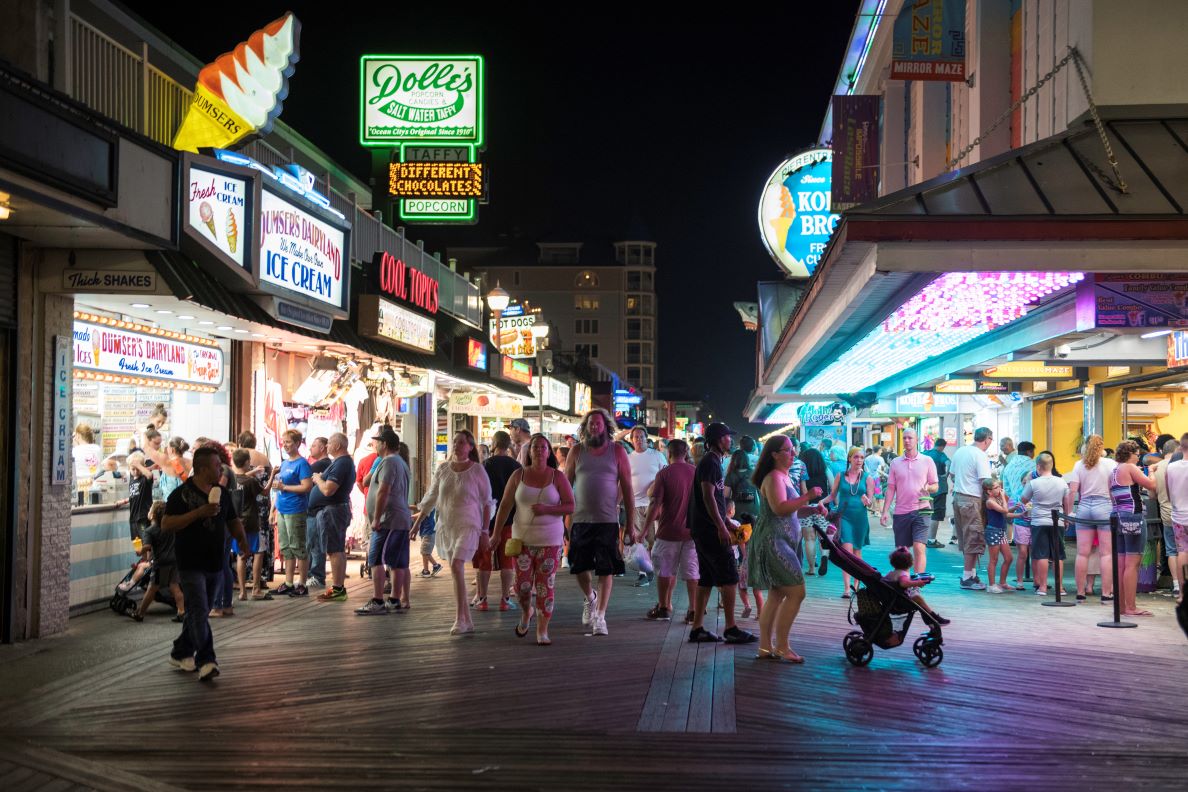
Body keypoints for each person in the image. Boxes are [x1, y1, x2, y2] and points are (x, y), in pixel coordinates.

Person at [162, 445, 247, 681]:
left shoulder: (222, 492)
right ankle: (207, 660)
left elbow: (232, 520)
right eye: (216, 465)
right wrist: (198, 513)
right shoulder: (181, 495)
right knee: (199, 609)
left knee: (199, 611)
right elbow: (166, 524)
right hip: (190, 562)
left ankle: (181, 651)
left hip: (215, 561)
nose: (220, 468)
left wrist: (242, 541)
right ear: (201, 469)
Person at [493, 433, 574, 645]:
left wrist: (547, 509)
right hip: (522, 541)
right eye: (535, 447)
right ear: (529, 452)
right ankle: (526, 611)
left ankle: (542, 629)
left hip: (550, 541)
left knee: (545, 587)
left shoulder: (558, 477)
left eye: (543, 447)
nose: (539, 450)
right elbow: (504, 506)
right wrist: (495, 533)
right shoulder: (518, 475)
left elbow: (570, 505)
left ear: (549, 453)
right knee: (522, 587)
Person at [749, 435, 823, 663]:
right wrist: (808, 496)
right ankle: (781, 646)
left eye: (793, 450)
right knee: (796, 591)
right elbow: (780, 508)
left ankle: (765, 647)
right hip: (774, 543)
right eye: (788, 450)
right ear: (774, 454)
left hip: (783, 541)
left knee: (777, 594)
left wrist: (811, 509)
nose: (793, 454)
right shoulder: (773, 478)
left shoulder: (784, 477)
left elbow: (792, 510)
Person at [565, 408, 635, 637]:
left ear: (606, 426)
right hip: (580, 519)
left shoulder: (617, 451)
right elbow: (565, 485)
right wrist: (562, 517)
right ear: (585, 428)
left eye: (598, 423)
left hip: (607, 520)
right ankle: (590, 598)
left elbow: (627, 487)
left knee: (607, 568)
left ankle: (601, 616)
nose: (594, 426)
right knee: (580, 566)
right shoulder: (576, 451)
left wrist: (631, 523)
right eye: (591, 424)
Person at [414, 430, 492, 634]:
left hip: (470, 525)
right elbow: (431, 497)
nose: (456, 445)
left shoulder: (477, 471)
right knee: (455, 570)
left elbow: (486, 503)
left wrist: (485, 531)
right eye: (454, 442)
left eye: (461, 442)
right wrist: (415, 525)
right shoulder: (442, 469)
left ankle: (461, 618)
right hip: (448, 526)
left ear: (470, 447)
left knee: (457, 564)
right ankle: (465, 619)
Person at [687, 423, 757, 645]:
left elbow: (715, 498)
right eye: (727, 436)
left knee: (706, 578)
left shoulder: (714, 461)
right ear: (718, 440)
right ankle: (731, 628)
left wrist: (726, 521)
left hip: (704, 527)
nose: (730, 440)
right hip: (709, 529)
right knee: (730, 577)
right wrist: (720, 526)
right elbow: (707, 495)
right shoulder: (711, 461)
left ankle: (697, 628)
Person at [355, 427, 412, 616]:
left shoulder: (389, 462)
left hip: (388, 520)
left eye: (377, 442)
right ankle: (395, 599)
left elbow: (383, 491)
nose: (374, 445)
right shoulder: (400, 462)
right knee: (396, 561)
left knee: (376, 558)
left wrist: (376, 518)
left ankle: (378, 599)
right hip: (398, 519)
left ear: (385, 444)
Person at [643, 439, 699, 622]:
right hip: (692, 532)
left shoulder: (664, 474)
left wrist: (644, 530)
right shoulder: (696, 473)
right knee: (692, 572)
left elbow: (655, 504)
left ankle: (664, 607)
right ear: (686, 453)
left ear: (669, 453)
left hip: (668, 531)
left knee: (664, 571)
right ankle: (693, 610)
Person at [880, 428, 938, 575]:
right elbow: (891, 488)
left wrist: (929, 487)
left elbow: (936, 486)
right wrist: (885, 511)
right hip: (901, 511)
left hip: (922, 509)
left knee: (919, 547)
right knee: (902, 551)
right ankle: (904, 582)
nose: (907, 440)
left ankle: (917, 585)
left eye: (910, 438)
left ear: (916, 440)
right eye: (904, 438)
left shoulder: (927, 460)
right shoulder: (895, 462)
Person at [1110, 440, 1157, 616]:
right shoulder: (1130, 468)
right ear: (1130, 453)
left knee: (1121, 564)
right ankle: (1131, 607)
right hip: (1133, 517)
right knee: (1132, 565)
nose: (1138, 458)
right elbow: (1152, 486)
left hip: (1117, 517)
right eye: (1137, 454)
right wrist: (1151, 471)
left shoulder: (1113, 471)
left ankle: (1121, 606)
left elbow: (1112, 497)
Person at [1067, 435, 1117, 602]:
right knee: (1106, 554)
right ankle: (1105, 593)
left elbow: (1072, 491)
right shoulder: (1110, 464)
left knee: (1082, 553)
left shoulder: (1078, 465)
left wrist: (1068, 513)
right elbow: (1113, 489)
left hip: (1084, 507)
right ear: (1102, 447)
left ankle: (1080, 593)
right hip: (1104, 507)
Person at [309, 433, 355, 603]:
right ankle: (338, 587)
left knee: (334, 550)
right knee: (337, 549)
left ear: (337, 446)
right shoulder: (342, 462)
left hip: (332, 511)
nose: (327, 447)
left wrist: (318, 479)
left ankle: (337, 588)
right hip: (334, 509)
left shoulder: (342, 463)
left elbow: (328, 490)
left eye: (329, 444)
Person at [823, 447, 874, 597]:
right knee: (846, 552)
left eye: (862, 458)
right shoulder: (840, 475)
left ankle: (857, 584)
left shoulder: (868, 478)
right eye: (856, 457)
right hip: (844, 517)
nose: (859, 460)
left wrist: (867, 501)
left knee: (857, 552)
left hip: (860, 519)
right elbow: (832, 496)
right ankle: (846, 588)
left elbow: (871, 502)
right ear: (849, 459)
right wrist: (820, 502)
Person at [479, 430, 521, 611]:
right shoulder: (516, 466)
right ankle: (505, 599)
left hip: (486, 520)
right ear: (508, 445)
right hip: (510, 520)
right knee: (507, 562)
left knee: (484, 562)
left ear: (494, 444)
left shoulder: (485, 465)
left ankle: (482, 600)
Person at [1021, 454, 1071, 597]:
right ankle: (1059, 587)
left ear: (1038, 467)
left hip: (1039, 521)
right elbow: (1066, 502)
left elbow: (1023, 499)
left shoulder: (1034, 483)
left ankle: (1042, 587)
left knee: (1042, 554)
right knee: (1058, 555)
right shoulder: (1062, 482)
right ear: (1052, 465)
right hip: (1057, 521)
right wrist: (1066, 518)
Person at [272, 429, 313, 597]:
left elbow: (306, 486)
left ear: (297, 443)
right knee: (286, 547)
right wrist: (273, 509)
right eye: (284, 442)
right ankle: (289, 582)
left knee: (298, 546)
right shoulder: (284, 463)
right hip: (282, 508)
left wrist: (285, 487)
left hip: (296, 509)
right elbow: (278, 487)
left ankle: (302, 583)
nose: (285, 445)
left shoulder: (302, 464)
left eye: (288, 442)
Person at [951, 427, 993, 590]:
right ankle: (967, 576)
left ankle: (971, 574)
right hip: (972, 499)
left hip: (958, 498)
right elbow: (985, 482)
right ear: (987, 439)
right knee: (973, 537)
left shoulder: (960, 451)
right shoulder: (980, 455)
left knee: (965, 537)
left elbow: (952, 475)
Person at [625, 425, 667, 587]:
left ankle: (654, 569)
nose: (639, 439)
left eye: (642, 437)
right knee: (638, 539)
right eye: (636, 437)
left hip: (654, 504)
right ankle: (644, 573)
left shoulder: (657, 456)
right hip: (635, 504)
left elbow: (665, 476)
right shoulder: (628, 458)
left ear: (647, 439)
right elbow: (624, 482)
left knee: (653, 539)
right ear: (631, 440)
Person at [131, 501, 185, 623]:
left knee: (152, 588)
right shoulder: (170, 527)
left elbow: (147, 546)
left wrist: (140, 551)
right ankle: (182, 611)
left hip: (161, 563)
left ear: (153, 515)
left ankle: (140, 613)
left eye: (150, 509)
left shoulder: (150, 531)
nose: (148, 511)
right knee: (175, 586)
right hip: (174, 560)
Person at [231, 449, 269, 601]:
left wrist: (252, 471)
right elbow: (265, 492)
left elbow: (242, 477)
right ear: (247, 462)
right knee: (258, 552)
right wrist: (272, 476)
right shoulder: (251, 482)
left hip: (236, 522)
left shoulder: (233, 479)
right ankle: (256, 587)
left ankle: (242, 591)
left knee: (241, 555)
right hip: (252, 521)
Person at [882, 547, 950, 625]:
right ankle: (933, 617)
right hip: (899, 602)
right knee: (918, 597)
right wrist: (918, 583)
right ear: (910, 563)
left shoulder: (892, 573)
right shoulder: (903, 574)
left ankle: (931, 620)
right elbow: (903, 583)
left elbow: (901, 582)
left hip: (892, 598)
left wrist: (913, 581)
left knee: (916, 596)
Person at [1153, 438, 1183, 601]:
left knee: (1172, 550)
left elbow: (1151, 494)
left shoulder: (1158, 468)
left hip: (1166, 514)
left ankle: (1177, 585)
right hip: (1183, 515)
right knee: (1184, 550)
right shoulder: (1182, 466)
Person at [983, 478, 1021, 592]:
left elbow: (1005, 514)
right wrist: (1004, 497)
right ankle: (991, 585)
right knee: (993, 559)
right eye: (996, 487)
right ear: (989, 491)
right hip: (993, 531)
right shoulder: (990, 501)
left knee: (1009, 558)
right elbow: (1004, 511)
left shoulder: (997, 500)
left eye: (999, 486)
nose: (999, 489)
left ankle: (1003, 582)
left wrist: (1019, 513)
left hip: (1000, 531)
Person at [798, 447, 831, 576]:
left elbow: (801, 489)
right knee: (823, 538)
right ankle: (824, 557)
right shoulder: (825, 470)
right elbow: (833, 487)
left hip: (806, 507)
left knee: (809, 539)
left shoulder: (802, 471)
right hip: (822, 507)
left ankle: (811, 569)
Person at [1163, 433, 1188, 604]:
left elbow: (1169, 492)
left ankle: (1182, 594)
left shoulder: (1170, 468)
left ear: (1181, 447)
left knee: (1182, 552)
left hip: (1178, 516)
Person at [305, 437, 331, 589]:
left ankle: (316, 575)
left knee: (315, 544)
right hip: (315, 510)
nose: (310, 448)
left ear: (322, 448)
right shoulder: (326, 464)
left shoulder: (321, 465)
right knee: (314, 543)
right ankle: (314, 574)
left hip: (316, 511)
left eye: (314, 445)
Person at [922, 438, 950, 548]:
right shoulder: (940, 454)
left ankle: (922, 537)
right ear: (943, 446)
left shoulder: (925, 453)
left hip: (925, 487)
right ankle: (931, 540)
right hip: (939, 488)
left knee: (926, 512)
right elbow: (949, 463)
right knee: (936, 514)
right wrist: (946, 475)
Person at [126, 452, 154, 543]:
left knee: (146, 541)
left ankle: (148, 557)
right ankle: (143, 557)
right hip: (133, 517)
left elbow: (150, 475)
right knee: (137, 544)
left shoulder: (144, 479)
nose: (135, 471)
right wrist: (123, 501)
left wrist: (139, 465)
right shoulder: (131, 479)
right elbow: (133, 496)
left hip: (142, 516)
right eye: (133, 469)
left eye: (138, 469)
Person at [159, 437, 191, 501]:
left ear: (172, 449)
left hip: (175, 502)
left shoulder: (174, 463)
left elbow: (182, 483)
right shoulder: (189, 461)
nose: (166, 449)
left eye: (167, 447)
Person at [416, 510, 442, 578]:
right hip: (426, 531)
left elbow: (422, 513)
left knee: (424, 552)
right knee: (425, 552)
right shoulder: (427, 503)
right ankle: (429, 569)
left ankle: (432, 568)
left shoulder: (429, 505)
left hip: (428, 532)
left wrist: (410, 516)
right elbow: (420, 508)